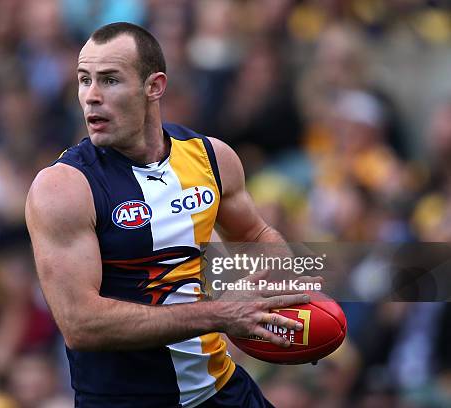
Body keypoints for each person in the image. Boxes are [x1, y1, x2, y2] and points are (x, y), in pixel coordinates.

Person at [25, 22, 312, 408]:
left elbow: (256, 236)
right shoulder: (64, 188)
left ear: (154, 86)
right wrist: (222, 313)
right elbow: (81, 323)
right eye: (83, 80)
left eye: (109, 80)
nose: (91, 96)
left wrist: (288, 294)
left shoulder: (212, 158)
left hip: (221, 391)